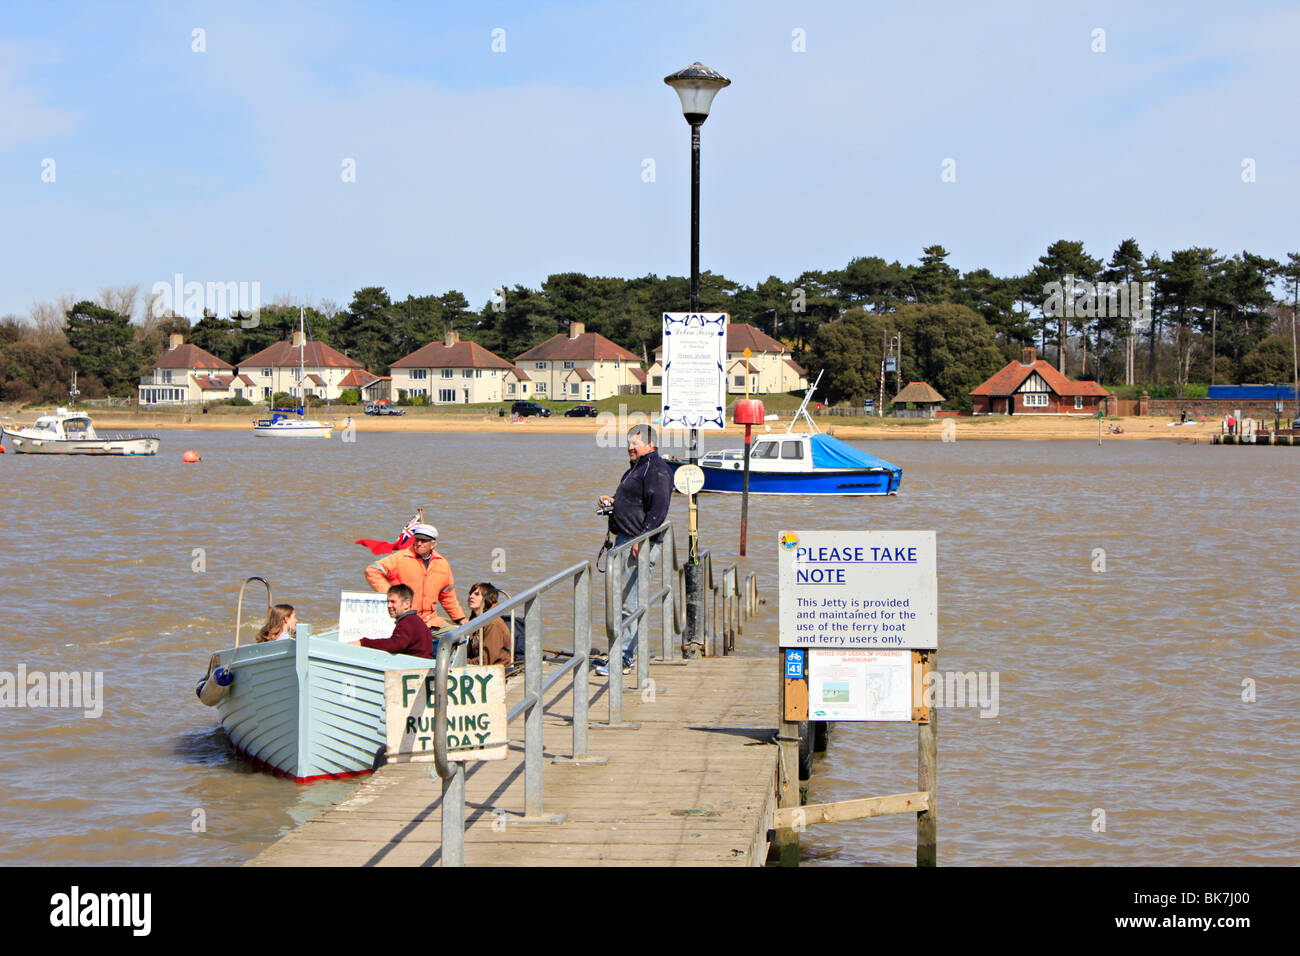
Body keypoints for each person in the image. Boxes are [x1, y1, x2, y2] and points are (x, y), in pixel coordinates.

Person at [595, 424, 673, 677]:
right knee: (618, 601)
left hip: (637, 545)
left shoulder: (657, 468)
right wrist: (615, 502)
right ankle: (618, 654)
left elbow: (659, 507)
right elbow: (638, 501)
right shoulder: (638, 467)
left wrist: (642, 538)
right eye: (628, 443)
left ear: (650, 445)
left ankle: (624, 659)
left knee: (630, 603)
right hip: (625, 542)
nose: (629, 447)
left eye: (634, 444)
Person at [364, 523, 467, 635]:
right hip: (406, 619)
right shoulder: (400, 558)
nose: (419, 543)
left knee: (458, 636)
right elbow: (372, 571)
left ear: (433, 544)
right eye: (417, 539)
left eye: (423, 541)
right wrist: (391, 594)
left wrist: (460, 619)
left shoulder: (442, 563)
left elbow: (448, 596)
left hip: (431, 621)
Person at [352, 584, 434, 658]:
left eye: (393, 602)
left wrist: (364, 643)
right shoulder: (415, 620)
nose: (389, 605)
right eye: (387, 602)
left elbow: (395, 645)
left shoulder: (408, 622)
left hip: (415, 668)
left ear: (406, 604)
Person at [465, 582, 512, 666]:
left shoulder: (493, 624)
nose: (471, 596)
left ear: (487, 598)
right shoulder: (475, 620)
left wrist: (463, 662)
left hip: (496, 669)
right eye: (470, 594)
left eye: (476, 594)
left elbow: (487, 659)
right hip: (479, 665)